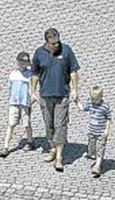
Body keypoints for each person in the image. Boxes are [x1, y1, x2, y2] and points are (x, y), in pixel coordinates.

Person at [29, 28, 80, 172]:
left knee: (60, 124)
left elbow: (73, 71)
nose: (57, 45)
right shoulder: (39, 53)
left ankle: (59, 157)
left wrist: (75, 89)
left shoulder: (67, 51)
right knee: (49, 124)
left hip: (62, 95)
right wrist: (32, 91)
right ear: (47, 43)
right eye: (54, 43)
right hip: (45, 95)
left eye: (58, 42)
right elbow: (35, 74)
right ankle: (52, 147)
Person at [0, 52, 36, 157]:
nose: (22, 65)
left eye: (24, 63)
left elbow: (32, 86)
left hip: (25, 102)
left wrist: (32, 97)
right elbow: (10, 88)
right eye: (21, 63)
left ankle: (30, 141)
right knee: (11, 123)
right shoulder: (13, 74)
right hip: (14, 102)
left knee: (26, 123)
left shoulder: (30, 74)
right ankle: (5, 146)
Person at [78, 85, 113, 178]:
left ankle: (97, 166)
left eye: (96, 100)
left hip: (101, 132)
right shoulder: (90, 103)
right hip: (91, 131)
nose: (94, 102)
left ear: (101, 97)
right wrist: (76, 101)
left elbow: (109, 119)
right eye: (92, 99)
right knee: (91, 147)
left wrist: (107, 130)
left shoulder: (104, 107)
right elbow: (83, 108)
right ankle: (92, 154)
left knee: (100, 148)